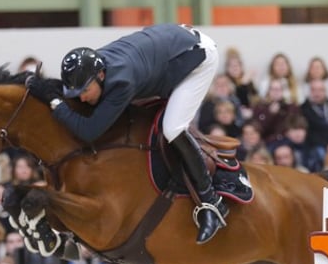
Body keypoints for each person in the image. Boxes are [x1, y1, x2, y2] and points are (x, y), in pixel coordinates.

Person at [50, 24, 226, 244]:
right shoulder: (95, 66)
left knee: (172, 128)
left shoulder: (122, 80)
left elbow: (88, 131)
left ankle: (211, 202)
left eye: (85, 90)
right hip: (172, 43)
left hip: (198, 58)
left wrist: (56, 106)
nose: (82, 98)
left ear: (101, 75)